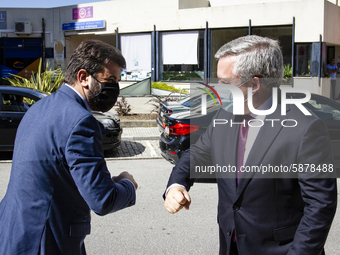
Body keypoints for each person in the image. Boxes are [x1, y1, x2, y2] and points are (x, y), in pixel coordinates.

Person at [164, 35, 337, 255]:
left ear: (255, 84)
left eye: (226, 82)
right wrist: (177, 185)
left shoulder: (306, 127)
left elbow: (320, 206)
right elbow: (196, 154)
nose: (218, 89)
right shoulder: (224, 116)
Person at [0, 40, 138, 255]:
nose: (114, 88)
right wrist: (128, 184)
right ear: (83, 77)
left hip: (14, 234)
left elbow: (54, 176)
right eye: (109, 79)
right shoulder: (81, 121)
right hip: (47, 242)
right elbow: (103, 201)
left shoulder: (39, 107)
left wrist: (106, 183)